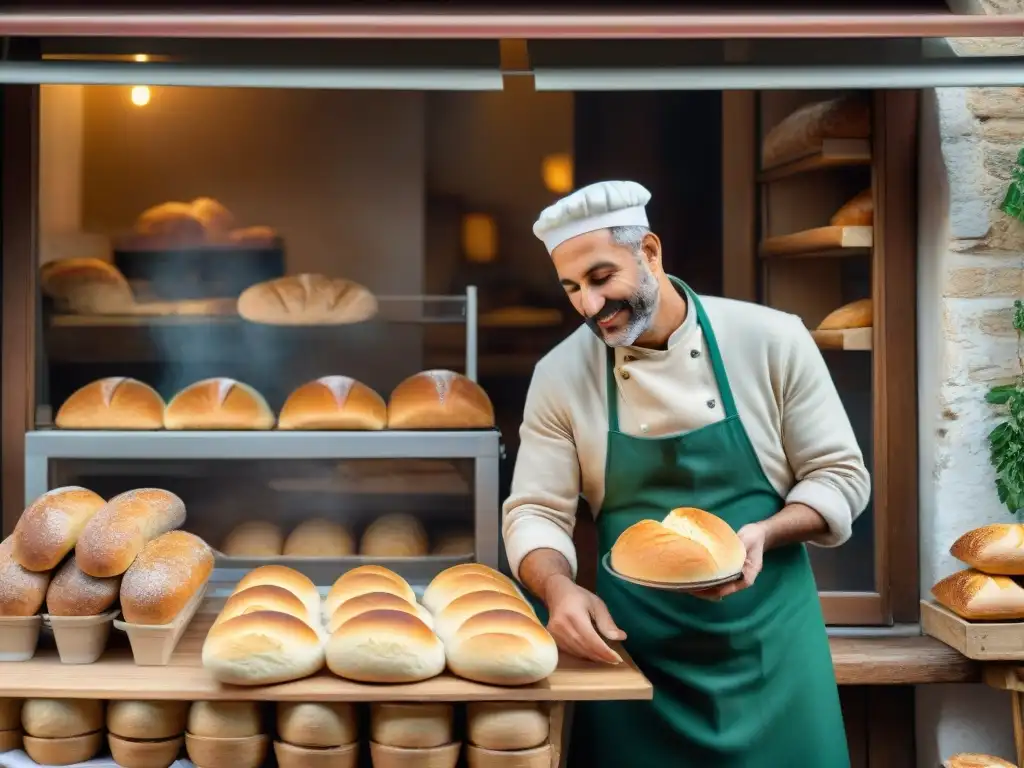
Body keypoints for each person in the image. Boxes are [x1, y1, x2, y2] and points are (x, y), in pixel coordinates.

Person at [502, 180, 869, 767]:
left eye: (601, 279)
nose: (588, 306)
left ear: (650, 251)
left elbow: (840, 476)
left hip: (772, 644)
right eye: (571, 288)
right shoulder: (560, 374)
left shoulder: (770, 339)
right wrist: (559, 588)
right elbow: (537, 511)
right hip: (637, 654)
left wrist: (763, 534)